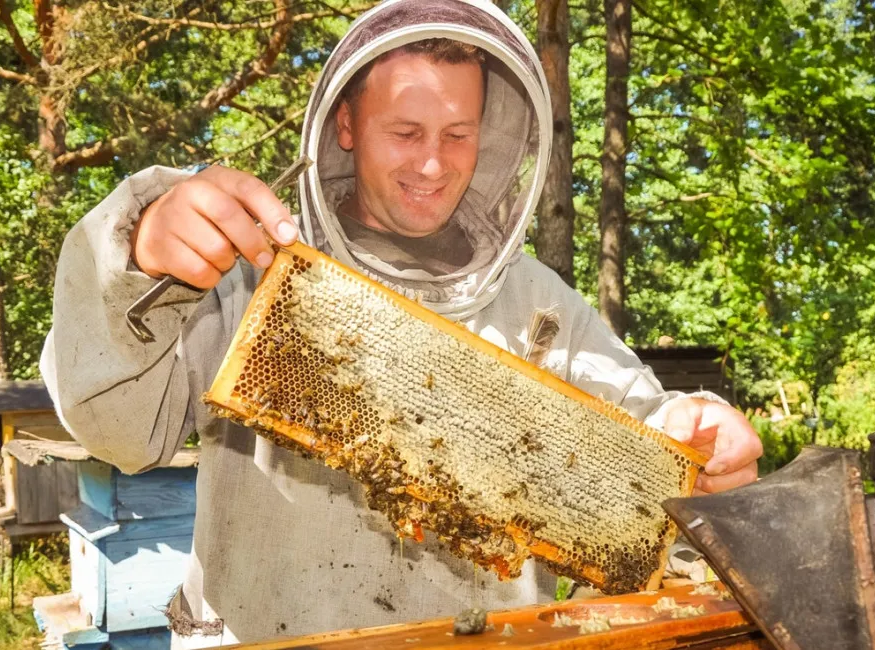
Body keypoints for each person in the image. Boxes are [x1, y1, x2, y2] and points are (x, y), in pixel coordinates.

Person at [40, 0, 762, 645]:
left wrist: (705, 449)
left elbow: (657, 446)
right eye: (406, 130)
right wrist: (139, 260)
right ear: (346, 124)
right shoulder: (247, 271)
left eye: (458, 134)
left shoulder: (542, 306)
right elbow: (117, 429)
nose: (432, 163)